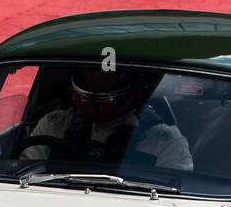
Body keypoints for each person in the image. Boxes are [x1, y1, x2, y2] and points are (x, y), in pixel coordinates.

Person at [21, 69, 193, 170]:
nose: (100, 80)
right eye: (93, 73)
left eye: (111, 76)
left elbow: (177, 202)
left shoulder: (166, 140)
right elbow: (23, 175)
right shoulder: (53, 124)